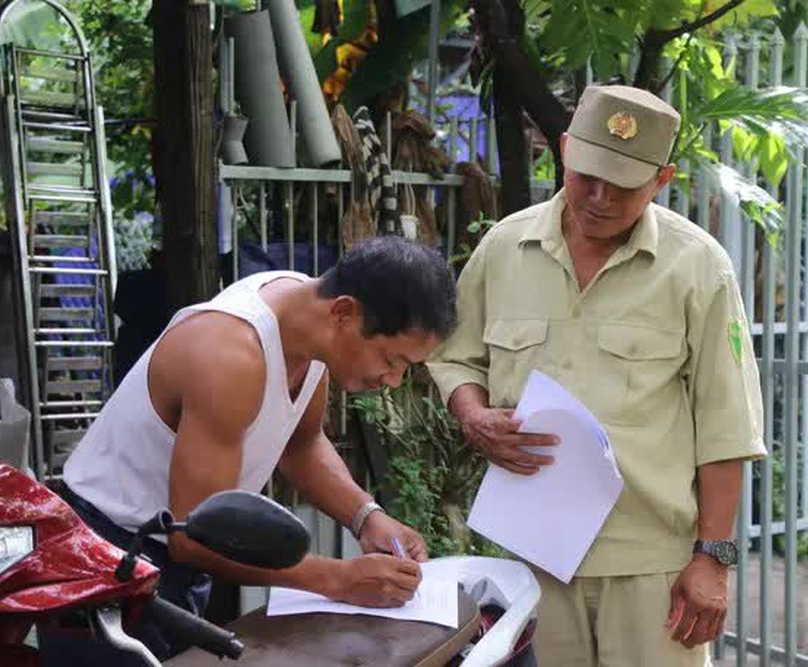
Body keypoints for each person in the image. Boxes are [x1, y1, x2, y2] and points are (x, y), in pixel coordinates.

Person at [427, 85, 766, 666]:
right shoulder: (505, 248)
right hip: (529, 555)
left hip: (649, 564)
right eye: (586, 176)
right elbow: (455, 356)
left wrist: (713, 558)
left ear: (662, 180)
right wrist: (473, 414)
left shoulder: (697, 267)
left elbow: (726, 422)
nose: (600, 197)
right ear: (563, 150)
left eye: (624, 185)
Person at [48, 236, 457, 662]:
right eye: (393, 361)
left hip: (168, 552)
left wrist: (366, 516)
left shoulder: (308, 321)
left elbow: (302, 445)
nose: (393, 380)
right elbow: (192, 538)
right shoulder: (231, 356)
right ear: (344, 313)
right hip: (105, 555)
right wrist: (338, 578)